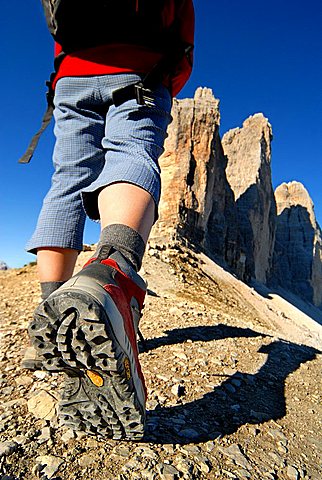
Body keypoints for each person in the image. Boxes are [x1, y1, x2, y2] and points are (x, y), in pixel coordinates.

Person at [24, 0, 194, 440]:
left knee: (66, 181)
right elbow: (181, 25)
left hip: (70, 77)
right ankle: (111, 272)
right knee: (132, 151)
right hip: (140, 63)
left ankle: (55, 310)